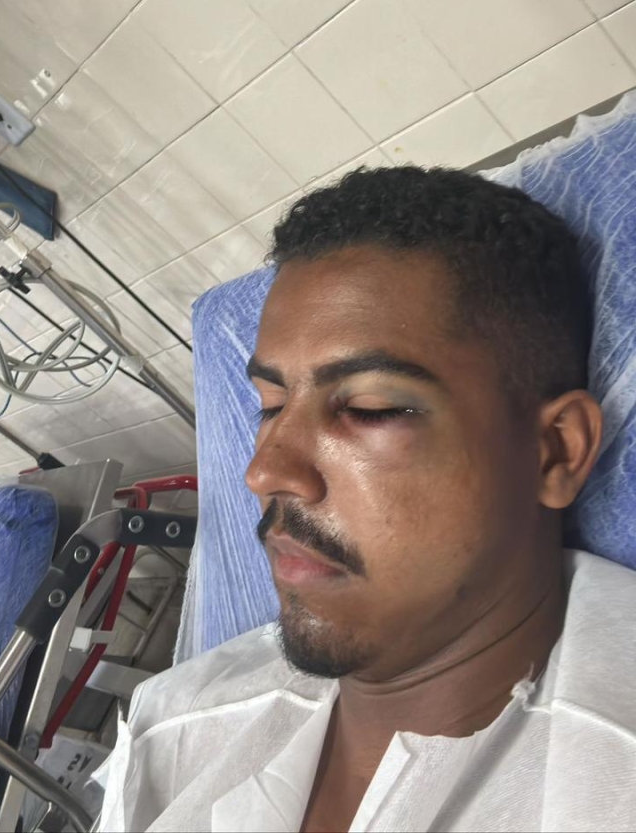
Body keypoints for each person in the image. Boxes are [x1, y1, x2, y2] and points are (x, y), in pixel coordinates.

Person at [100, 166, 636, 833]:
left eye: (369, 408)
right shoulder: (173, 729)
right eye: (271, 404)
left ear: (555, 450)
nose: (264, 471)